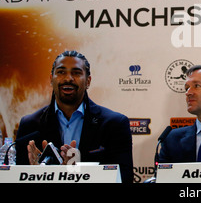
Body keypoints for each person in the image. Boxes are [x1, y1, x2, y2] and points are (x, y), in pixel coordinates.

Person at [15, 50, 134, 183]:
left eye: (76, 73)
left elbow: (125, 178)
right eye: (61, 72)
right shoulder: (29, 125)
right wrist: (35, 173)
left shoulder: (114, 124)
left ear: (88, 81)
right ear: (51, 79)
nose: (68, 78)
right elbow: (16, 178)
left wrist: (77, 171)